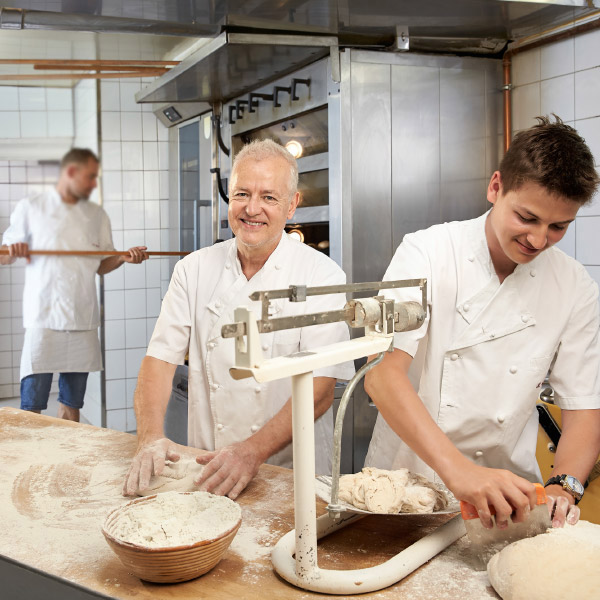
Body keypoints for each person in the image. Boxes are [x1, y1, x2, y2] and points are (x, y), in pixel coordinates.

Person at [364, 116, 600, 530]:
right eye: (527, 218)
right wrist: (460, 473)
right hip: (408, 485)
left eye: (558, 227)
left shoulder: (574, 285)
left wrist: (564, 486)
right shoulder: (427, 252)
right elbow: (382, 375)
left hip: (512, 499)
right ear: (495, 188)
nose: (539, 240)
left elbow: (584, 406)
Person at [123, 139, 353, 499]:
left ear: (292, 205)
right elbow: (159, 359)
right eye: (242, 194)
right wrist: (150, 436)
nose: (252, 209)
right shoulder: (193, 269)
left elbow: (321, 390)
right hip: (208, 467)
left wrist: (252, 452)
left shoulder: (322, 275)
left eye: (269, 197)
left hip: (287, 473)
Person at [1, 148, 148, 422]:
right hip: (43, 318)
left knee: (72, 403)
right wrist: (13, 249)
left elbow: (101, 265)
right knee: (32, 406)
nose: (94, 184)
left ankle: (65, 459)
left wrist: (123, 259)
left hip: (82, 318)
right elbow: (4, 257)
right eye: (91, 177)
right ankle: (31, 462)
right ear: (71, 172)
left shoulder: (97, 216)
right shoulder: (32, 207)